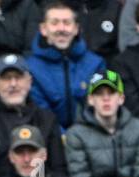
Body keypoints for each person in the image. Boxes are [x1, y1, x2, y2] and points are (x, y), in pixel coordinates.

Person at [0, 55, 68, 177]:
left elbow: (58, 170)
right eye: (6, 78)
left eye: (18, 77)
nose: (13, 84)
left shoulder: (47, 119)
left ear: (29, 82)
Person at [65, 70, 139, 177]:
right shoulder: (75, 134)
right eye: (99, 93)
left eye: (111, 93)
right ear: (90, 99)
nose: (106, 99)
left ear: (121, 98)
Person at [28, 0, 108, 132]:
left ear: (76, 29)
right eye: (54, 23)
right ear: (43, 29)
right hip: (50, 139)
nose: (61, 29)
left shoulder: (96, 64)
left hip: (89, 138)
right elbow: (41, 115)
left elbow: (99, 110)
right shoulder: (31, 68)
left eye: (67, 23)